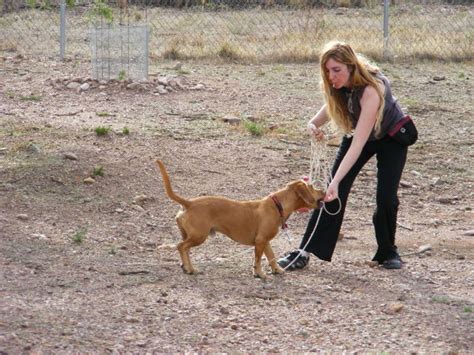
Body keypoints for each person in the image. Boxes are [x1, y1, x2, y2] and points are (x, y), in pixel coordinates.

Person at [278, 41, 412, 270]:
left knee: (385, 196)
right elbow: (328, 110)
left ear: (351, 66)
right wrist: (312, 125)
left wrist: (337, 181)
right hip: (361, 135)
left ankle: (388, 251)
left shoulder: (371, 90)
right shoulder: (339, 85)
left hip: (390, 139)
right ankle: (304, 251)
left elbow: (358, 144)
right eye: (328, 71)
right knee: (331, 194)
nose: (331, 76)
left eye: (336, 70)